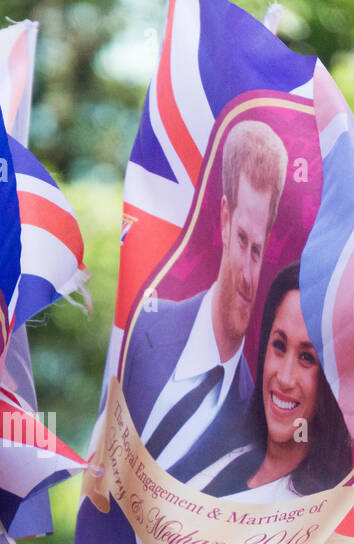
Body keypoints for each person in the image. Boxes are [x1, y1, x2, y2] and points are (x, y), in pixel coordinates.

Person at [121, 119, 289, 482]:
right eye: (243, 240)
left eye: (257, 250)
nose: (247, 273)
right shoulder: (144, 329)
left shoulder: (260, 418)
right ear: (225, 221)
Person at [197, 263, 350, 500]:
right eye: (279, 345)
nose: (285, 378)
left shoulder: (322, 512)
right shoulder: (221, 458)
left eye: (307, 358)